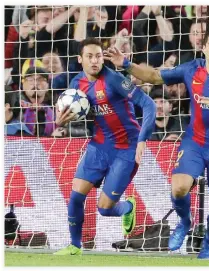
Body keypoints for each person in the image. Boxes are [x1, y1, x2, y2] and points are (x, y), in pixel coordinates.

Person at [102, 27, 209, 259]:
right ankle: (184, 222)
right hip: (196, 142)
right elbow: (154, 77)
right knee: (179, 188)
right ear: (204, 48)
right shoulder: (192, 68)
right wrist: (126, 64)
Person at [54, 37, 156, 255]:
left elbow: (149, 104)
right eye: (89, 56)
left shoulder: (114, 80)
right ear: (80, 59)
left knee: (104, 208)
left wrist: (142, 139)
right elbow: (69, 115)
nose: (94, 61)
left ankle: (128, 206)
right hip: (99, 146)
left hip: (126, 148)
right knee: (75, 197)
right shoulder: (75, 87)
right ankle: (75, 246)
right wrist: (61, 123)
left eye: (98, 56)